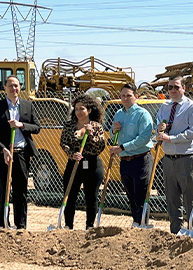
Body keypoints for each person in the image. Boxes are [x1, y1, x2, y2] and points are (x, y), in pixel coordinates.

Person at [0, 75, 40, 229]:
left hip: (21, 153)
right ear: (5, 88)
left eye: (16, 85)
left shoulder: (27, 106)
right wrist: (2, 148)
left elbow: (36, 127)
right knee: (3, 191)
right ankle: (2, 225)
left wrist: (21, 125)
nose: (13, 88)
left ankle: (21, 226)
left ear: (20, 87)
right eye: (10, 85)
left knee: (21, 191)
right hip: (2, 154)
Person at [156, 76, 193, 234]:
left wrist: (172, 139)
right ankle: (175, 230)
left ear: (184, 88)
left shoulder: (191, 107)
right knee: (172, 198)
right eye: (170, 88)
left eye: (176, 87)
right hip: (168, 159)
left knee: (190, 198)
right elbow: (158, 127)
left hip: (186, 158)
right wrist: (159, 129)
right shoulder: (164, 106)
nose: (173, 91)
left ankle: (192, 230)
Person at [110, 83, 154, 226]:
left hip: (141, 159)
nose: (125, 98)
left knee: (141, 195)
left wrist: (122, 147)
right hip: (125, 160)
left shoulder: (143, 114)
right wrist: (113, 131)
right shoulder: (119, 114)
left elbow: (143, 139)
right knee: (130, 195)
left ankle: (143, 224)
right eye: (123, 96)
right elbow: (113, 135)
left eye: (128, 95)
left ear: (136, 96)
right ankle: (135, 222)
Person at [60, 94, 106, 229]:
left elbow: (100, 147)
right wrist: (71, 154)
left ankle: (90, 227)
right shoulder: (69, 125)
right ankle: (68, 225)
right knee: (69, 195)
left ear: (89, 110)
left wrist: (90, 134)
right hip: (74, 163)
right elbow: (63, 142)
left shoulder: (96, 126)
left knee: (91, 197)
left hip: (91, 165)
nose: (79, 112)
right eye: (76, 109)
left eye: (82, 109)